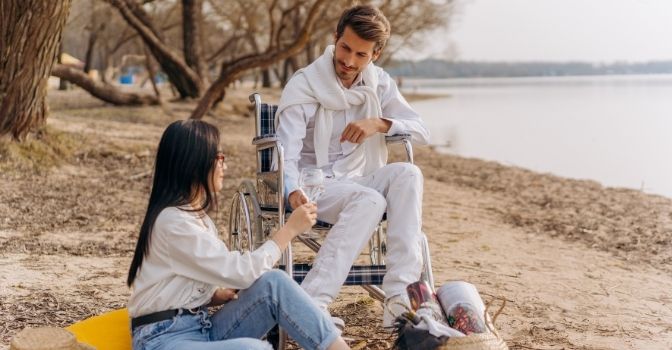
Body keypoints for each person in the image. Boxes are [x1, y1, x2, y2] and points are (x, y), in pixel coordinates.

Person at [127, 120, 350, 350]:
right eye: (219, 158)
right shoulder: (173, 222)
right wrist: (289, 230)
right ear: (193, 163)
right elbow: (242, 272)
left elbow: (175, 281)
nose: (224, 166)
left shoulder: (196, 218)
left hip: (201, 328)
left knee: (274, 283)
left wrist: (213, 295)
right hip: (162, 339)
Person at [275, 5, 430, 329]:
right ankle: (312, 303)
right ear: (335, 38)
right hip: (315, 184)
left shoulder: (378, 83)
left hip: (359, 176)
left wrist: (380, 123)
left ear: (376, 54)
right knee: (369, 199)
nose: (349, 61)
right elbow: (285, 155)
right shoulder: (304, 86)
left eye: (361, 54)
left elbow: (421, 130)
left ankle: (399, 297)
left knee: (409, 173)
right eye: (345, 48)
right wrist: (292, 192)